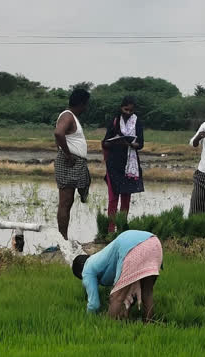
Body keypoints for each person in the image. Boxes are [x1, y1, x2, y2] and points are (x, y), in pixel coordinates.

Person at [72, 230, 162, 321]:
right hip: (154, 243)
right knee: (147, 292)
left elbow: (94, 304)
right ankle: (149, 323)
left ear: (80, 273)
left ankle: (109, 328)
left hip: (132, 247)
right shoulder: (99, 257)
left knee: (116, 297)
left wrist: (87, 319)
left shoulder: (87, 269)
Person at [102, 96, 144, 233]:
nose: (128, 113)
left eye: (131, 110)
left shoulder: (137, 122)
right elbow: (105, 142)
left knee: (126, 198)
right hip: (114, 164)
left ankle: (121, 229)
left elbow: (141, 144)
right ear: (121, 108)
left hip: (130, 166)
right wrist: (116, 142)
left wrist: (130, 144)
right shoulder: (114, 121)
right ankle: (110, 230)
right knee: (113, 198)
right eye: (126, 109)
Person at [54, 88, 91, 240]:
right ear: (81, 104)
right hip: (70, 162)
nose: (86, 108)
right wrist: (68, 154)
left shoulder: (72, 117)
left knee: (86, 182)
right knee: (66, 201)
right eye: (86, 105)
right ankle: (63, 239)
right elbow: (58, 133)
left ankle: (83, 193)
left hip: (77, 163)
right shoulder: (68, 116)